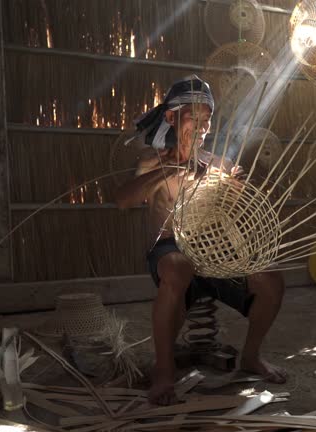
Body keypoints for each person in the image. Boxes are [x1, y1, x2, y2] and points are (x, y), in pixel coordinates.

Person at [115, 75, 287, 406]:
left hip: (217, 253)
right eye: (195, 117)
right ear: (171, 117)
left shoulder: (220, 164)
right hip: (171, 250)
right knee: (179, 267)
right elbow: (123, 200)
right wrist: (165, 174)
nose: (203, 126)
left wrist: (240, 186)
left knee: (271, 280)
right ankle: (164, 370)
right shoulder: (152, 164)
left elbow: (249, 201)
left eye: (207, 120)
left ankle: (251, 357)